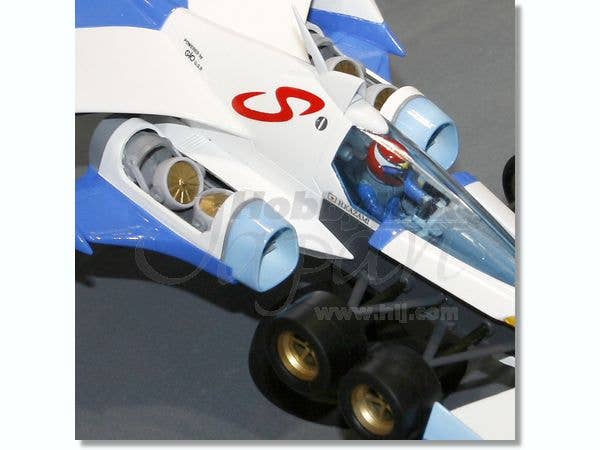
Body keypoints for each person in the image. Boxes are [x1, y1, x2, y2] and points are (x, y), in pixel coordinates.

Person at [357, 139, 432, 221]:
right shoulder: (366, 189)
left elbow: (408, 182)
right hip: (392, 216)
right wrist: (399, 222)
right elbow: (378, 212)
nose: (401, 175)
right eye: (398, 174)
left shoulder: (398, 176)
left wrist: (424, 198)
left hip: (401, 205)